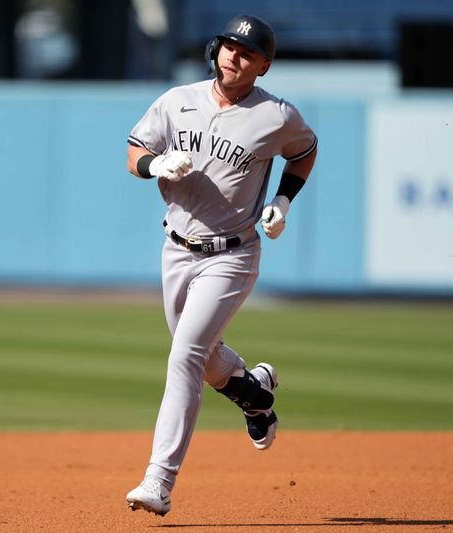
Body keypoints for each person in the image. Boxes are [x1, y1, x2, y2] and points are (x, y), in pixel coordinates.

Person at [124, 14, 318, 517]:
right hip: (175, 248)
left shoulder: (276, 116)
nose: (234, 56)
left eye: (247, 52)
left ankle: (158, 482)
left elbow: (305, 151)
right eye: (229, 46)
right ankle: (254, 393)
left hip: (232, 254)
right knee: (204, 356)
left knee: (185, 354)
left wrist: (284, 199)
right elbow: (135, 151)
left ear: (264, 66)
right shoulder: (176, 100)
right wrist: (154, 165)